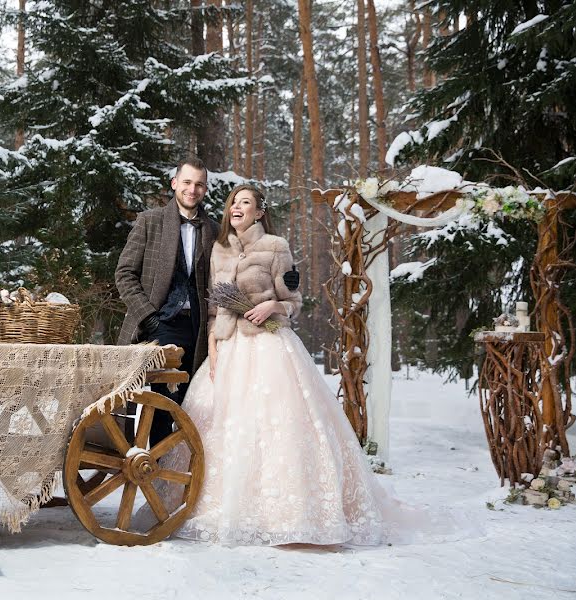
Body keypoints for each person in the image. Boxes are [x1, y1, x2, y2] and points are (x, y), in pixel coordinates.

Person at [150, 184, 464, 546]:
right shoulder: (218, 249)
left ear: (259, 212)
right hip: (228, 347)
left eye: (245, 203)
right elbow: (215, 306)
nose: (236, 207)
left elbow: (294, 299)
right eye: (234, 202)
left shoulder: (276, 248)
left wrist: (273, 307)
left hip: (267, 345)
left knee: (277, 426)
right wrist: (213, 348)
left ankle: (285, 516)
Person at [115, 156, 219, 446]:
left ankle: (188, 479)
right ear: (174, 183)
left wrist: (284, 274)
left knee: (194, 408)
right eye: (187, 182)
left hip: (199, 330)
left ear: (205, 189)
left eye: (199, 184)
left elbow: (235, 267)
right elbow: (124, 274)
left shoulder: (213, 229)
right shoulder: (150, 221)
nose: (192, 189)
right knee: (161, 407)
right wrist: (148, 316)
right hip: (160, 325)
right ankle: (158, 481)